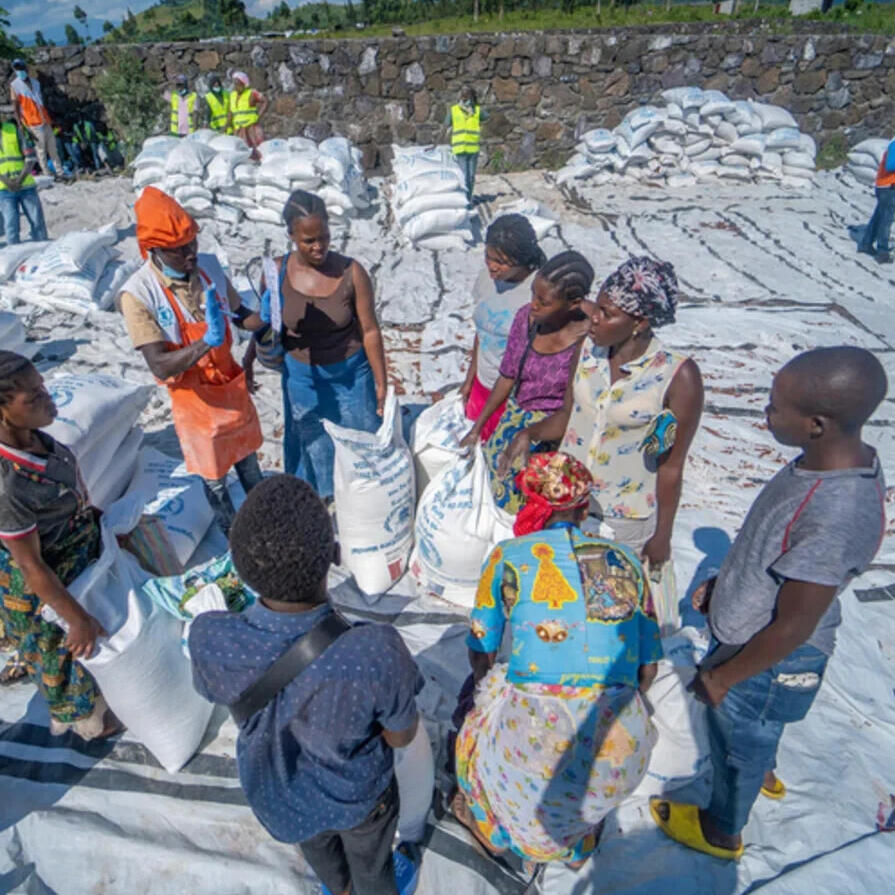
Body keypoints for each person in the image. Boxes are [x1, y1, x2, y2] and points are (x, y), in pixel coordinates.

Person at [651, 346, 887, 860]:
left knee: (738, 741)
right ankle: (763, 769)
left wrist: (721, 677)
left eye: (776, 406)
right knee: (755, 733)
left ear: (817, 424)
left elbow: (793, 625)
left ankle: (722, 828)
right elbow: (774, 556)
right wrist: (723, 587)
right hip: (756, 642)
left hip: (766, 661)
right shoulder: (827, 463)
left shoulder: (837, 511)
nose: (766, 412)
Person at [189, 475, 423, 895]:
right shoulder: (376, 650)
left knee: (325, 862)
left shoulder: (210, 637)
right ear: (333, 555)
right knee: (373, 866)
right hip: (360, 800)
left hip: (283, 801)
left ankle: (340, 889)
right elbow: (402, 737)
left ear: (238, 565)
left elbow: (214, 692)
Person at [454, 451, 661, 867]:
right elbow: (648, 670)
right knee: (583, 780)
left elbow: (481, 650)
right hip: (623, 745)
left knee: (474, 728)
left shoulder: (508, 555)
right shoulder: (625, 561)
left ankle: (493, 828)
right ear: (584, 509)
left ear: (529, 504)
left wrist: (493, 694)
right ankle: (575, 841)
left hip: (533, 734)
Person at [502, 257, 703, 577]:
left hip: (622, 518)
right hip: (565, 504)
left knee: (606, 607)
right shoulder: (586, 350)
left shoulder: (676, 378)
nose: (593, 316)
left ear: (640, 322)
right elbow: (569, 415)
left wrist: (662, 535)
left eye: (607, 313)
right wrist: (530, 433)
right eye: (599, 306)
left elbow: (671, 465)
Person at [119, 187, 265, 535]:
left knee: (248, 464)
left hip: (230, 386)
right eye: (178, 250)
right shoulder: (138, 294)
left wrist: (265, 317)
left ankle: (266, 520)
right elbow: (160, 365)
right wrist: (206, 342)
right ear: (154, 250)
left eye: (192, 243)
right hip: (194, 401)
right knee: (214, 479)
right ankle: (234, 535)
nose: (190, 255)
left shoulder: (209, 266)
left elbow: (240, 314)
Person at [0, 350, 121, 740]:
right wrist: (77, 620)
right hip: (40, 576)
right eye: (33, 397)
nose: (48, 399)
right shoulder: (8, 484)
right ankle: (82, 716)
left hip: (71, 543)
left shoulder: (37, 439)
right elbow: (32, 568)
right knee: (58, 649)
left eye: (43, 388)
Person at [244, 190, 388, 501]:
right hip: (302, 378)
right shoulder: (275, 274)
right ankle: (324, 503)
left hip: (350, 376)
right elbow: (265, 325)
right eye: (308, 240)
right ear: (291, 235)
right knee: (314, 446)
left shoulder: (352, 273)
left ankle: (365, 504)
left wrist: (380, 381)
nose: (319, 246)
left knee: (362, 446)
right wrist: (248, 360)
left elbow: (371, 330)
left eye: (324, 236)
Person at [460, 250, 592, 513]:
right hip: (514, 419)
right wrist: (478, 427)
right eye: (533, 294)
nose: (533, 305)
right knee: (489, 486)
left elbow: (577, 408)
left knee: (527, 505)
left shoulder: (588, 340)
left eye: (544, 302)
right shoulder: (526, 320)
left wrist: (533, 435)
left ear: (574, 303)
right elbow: (507, 376)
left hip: (552, 433)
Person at [459, 214, 546, 442]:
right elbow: (483, 332)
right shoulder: (486, 279)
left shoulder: (537, 292)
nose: (493, 267)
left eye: (502, 262)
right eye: (489, 257)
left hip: (513, 398)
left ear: (523, 261)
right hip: (482, 386)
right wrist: (470, 380)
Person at [10, 59, 61, 178]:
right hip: (32, 122)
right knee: (41, 150)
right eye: (17, 69)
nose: (19, 71)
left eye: (21, 68)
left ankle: (59, 172)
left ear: (25, 68)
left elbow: (41, 101)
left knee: (53, 148)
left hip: (45, 119)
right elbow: (16, 106)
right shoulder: (14, 86)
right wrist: (20, 124)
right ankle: (47, 173)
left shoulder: (35, 82)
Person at [0, 118, 48, 244]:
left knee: (37, 222)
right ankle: (14, 255)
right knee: (10, 226)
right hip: (4, 189)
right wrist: (7, 182)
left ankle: (43, 249)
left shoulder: (13, 130)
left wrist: (19, 180)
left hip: (25, 185)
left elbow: (30, 157)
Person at [444, 86, 488, 204]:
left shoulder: (477, 111)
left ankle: (468, 198)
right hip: (460, 149)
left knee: (471, 177)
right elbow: (446, 122)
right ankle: (464, 200)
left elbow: (486, 116)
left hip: (472, 149)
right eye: (464, 95)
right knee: (464, 176)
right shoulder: (454, 110)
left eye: (467, 95)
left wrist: (475, 107)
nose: (465, 98)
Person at [857, 136, 895, 264]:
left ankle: (866, 244)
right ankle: (882, 251)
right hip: (888, 187)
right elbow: (890, 165)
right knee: (886, 219)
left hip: (885, 186)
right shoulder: (894, 145)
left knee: (879, 217)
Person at [229, 72, 267, 159]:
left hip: (251, 128)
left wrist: (259, 116)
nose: (236, 87)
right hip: (238, 128)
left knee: (257, 150)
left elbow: (265, 101)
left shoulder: (252, 93)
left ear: (244, 84)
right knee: (242, 152)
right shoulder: (232, 95)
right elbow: (231, 111)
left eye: (238, 84)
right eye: (234, 84)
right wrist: (228, 126)